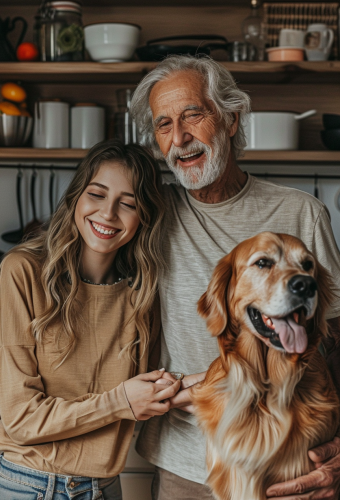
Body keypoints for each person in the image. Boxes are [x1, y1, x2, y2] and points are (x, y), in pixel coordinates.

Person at [130, 55, 340, 500]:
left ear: (229, 118)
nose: (180, 138)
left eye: (192, 115)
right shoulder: (150, 213)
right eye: (164, 125)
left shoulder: (300, 213)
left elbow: (338, 337)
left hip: (292, 464)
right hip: (188, 466)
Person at [0, 140, 181, 500]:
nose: (108, 214)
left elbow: (152, 389)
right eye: (97, 194)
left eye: (128, 203)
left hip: (105, 489)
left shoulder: (143, 295)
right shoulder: (23, 271)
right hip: (28, 486)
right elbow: (21, 419)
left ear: (144, 218)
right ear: (77, 197)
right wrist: (120, 401)